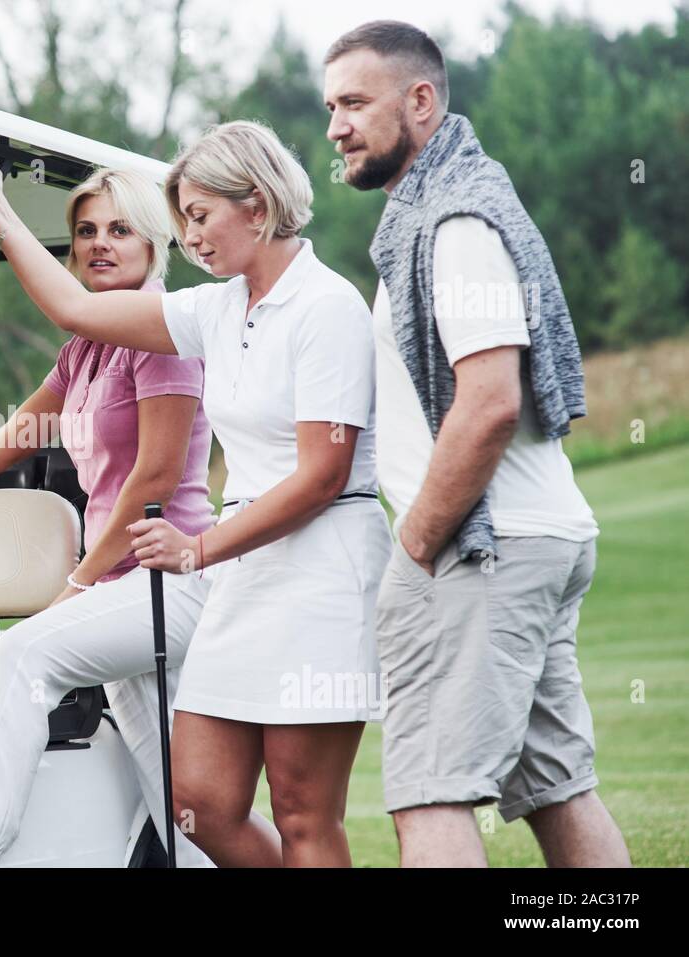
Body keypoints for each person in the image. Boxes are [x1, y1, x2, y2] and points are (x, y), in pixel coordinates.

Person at [0, 122, 390, 867]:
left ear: (257, 205)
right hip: (238, 570)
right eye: (182, 218)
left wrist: (199, 548)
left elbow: (323, 476)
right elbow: (74, 309)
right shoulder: (216, 309)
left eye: (201, 215)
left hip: (320, 570)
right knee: (201, 805)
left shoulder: (328, 307)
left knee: (303, 811)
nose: (188, 236)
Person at [0, 167, 241, 868]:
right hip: (118, 596)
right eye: (86, 232)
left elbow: (155, 478)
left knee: (24, 651)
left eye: (119, 230)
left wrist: (78, 582)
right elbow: (6, 442)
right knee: (191, 816)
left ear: (154, 246)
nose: (100, 244)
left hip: (172, 584)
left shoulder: (165, 334)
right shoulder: (86, 350)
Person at [322, 20, 630, 867]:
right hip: (536, 539)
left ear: (419, 100)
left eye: (354, 102)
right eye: (329, 107)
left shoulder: (454, 223)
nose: (335, 127)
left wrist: (416, 542)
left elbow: (489, 402)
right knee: (559, 791)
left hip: (482, 552)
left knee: (429, 796)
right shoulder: (447, 208)